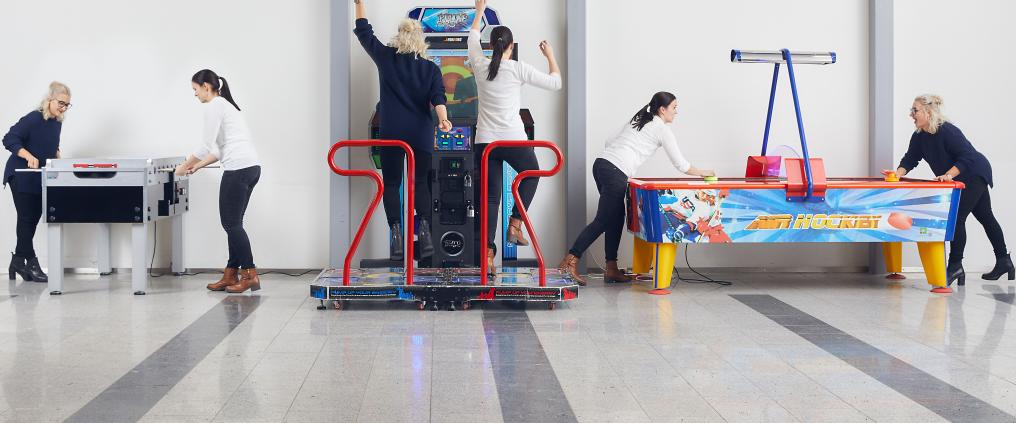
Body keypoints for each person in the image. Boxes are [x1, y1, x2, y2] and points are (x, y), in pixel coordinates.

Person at [559, 92, 714, 285]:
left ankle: (611, 268)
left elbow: (609, 140)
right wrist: (703, 172)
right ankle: (570, 260)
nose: (676, 112)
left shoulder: (639, 118)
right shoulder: (661, 129)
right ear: (662, 109)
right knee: (604, 220)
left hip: (602, 165)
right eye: (674, 107)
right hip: (616, 171)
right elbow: (681, 165)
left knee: (615, 219)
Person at [354, 0, 453, 261]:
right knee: (421, 183)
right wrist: (443, 120)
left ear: (398, 38)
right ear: (420, 40)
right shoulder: (430, 68)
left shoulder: (387, 57)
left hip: (392, 132)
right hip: (420, 132)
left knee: (393, 183)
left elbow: (365, 34)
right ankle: (425, 230)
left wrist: (360, 4)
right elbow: (438, 97)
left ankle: (396, 232)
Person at [469, 0, 563, 273]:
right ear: (510, 46)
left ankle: (487, 257)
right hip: (512, 140)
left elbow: (472, 36)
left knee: (489, 199)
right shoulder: (517, 68)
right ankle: (515, 225)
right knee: (532, 173)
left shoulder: (479, 63)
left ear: (491, 46)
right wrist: (549, 55)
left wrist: (479, 11)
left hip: (485, 143)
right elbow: (556, 82)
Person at [890, 94, 1012, 286]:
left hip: (973, 173)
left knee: (956, 219)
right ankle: (1004, 261)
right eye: (911, 110)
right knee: (985, 216)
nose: (911, 114)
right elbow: (911, 158)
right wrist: (897, 173)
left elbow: (967, 156)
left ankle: (955, 265)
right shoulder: (919, 136)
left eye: (915, 110)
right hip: (960, 175)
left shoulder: (947, 131)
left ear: (928, 112)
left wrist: (948, 175)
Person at [176, 69, 263, 293]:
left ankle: (250, 274)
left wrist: (183, 166)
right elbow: (217, 150)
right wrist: (197, 165)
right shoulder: (226, 105)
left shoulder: (215, 105)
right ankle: (231, 274)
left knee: (231, 224)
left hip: (238, 170)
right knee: (234, 224)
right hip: (251, 167)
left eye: (195, 89)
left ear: (206, 86)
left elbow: (204, 146)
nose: (194, 94)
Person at [3, 82, 72, 283]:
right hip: (20, 173)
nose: (63, 107)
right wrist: (26, 154)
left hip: (38, 177)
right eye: (61, 103)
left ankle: (17, 261)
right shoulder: (34, 118)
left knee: (32, 220)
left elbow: (46, 143)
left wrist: (56, 153)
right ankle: (31, 263)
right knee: (26, 218)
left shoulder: (57, 122)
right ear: (49, 100)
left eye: (67, 105)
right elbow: (9, 138)